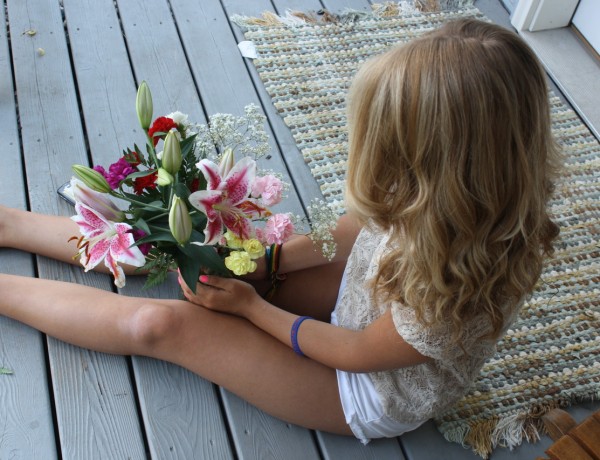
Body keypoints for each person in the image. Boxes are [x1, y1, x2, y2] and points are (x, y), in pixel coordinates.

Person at [0, 18, 560, 442]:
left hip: (364, 387)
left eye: (392, 146)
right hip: (362, 297)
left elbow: (356, 351)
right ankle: (9, 224)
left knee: (159, 324)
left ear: (443, 163)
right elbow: (357, 229)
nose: (377, 158)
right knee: (192, 253)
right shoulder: (454, 188)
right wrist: (265, 262)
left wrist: (253, 308)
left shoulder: (464, 289)